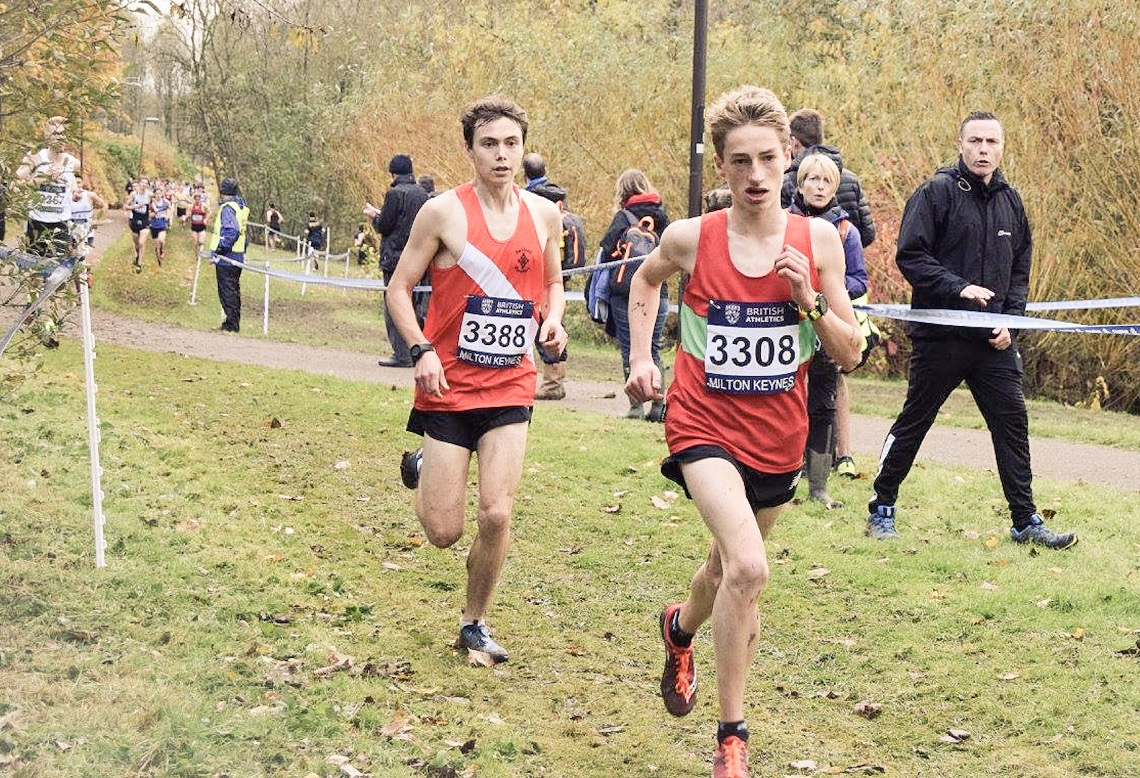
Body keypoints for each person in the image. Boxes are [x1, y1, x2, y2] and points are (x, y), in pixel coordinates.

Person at [624, 85, 861, 778]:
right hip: (701, 426)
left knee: (726, 570)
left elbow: (848, 352)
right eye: (739, 162)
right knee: (751, 568)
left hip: (778, 440)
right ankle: (733, 738)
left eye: (767, 159)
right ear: (721, 169)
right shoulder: (692, 239)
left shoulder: (818, 241)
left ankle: (679, 629)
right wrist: (643, 357)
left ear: (789, 157)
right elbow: (643, 283)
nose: (755, 176)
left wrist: (808, 300)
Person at [385, 95, 567, 663]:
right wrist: (420, 349)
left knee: (496, 512)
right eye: (489, 143)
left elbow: (553, 285)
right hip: (447, 385)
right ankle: (425, 464)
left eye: (511, 143)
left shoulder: (544, 215)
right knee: (443, 532)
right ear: (469, 150)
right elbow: (397, 289)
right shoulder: (441, 214)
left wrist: (555, 321)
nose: (501, 154)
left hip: (511, 382)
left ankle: (474, 621)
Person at [866, 111, 1077, 549]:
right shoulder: (936, 192)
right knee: (915, 422)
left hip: (992, 343)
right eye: (976, 141)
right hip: (941, 337)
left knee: (1012, 423)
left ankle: (1025, 521)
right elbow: (911, 257)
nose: (984, 150)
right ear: (961, 144)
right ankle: (881, 507)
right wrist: (958, 288)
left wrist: (1011, 324)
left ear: (1002, 148)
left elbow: (1020, 269)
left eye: (992, 142)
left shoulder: (1011, 201)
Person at [789, 154, 869, 508]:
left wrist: (824, 289)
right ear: (801, 184)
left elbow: (857, 279)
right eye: (813, 180)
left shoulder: (845, 231)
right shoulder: (782, 223)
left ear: (835, 188)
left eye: (826, 182)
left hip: (825, 325)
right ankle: (784, 478)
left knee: (823, 402)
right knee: (785, 400)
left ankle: (819, 488)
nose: (819, 187)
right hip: (786, 324)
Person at [598, 168, 669, 420]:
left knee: (632, 349)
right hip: (659, 292)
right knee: (654, 347)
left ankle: (635, 406)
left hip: (624, 293)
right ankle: (659, 404)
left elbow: (607, 251)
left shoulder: (622, 216)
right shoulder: (662, 216)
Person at [364, 153, 430, 367]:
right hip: (419, 256)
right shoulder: (421, 194)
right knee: (416, 305)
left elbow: (385, 225)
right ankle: (417, 349)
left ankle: (401, 354)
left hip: (394, 257)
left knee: (394, 302)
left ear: (393, 172)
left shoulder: (394, 194)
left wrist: (375, 216)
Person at [780, 108, 876, 248]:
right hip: (848, 264)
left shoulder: (787, 182)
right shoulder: (851, 179)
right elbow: (867, 233)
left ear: (794, 141)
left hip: (802, 264)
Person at [523, 152, 574, 402]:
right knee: (550, 322)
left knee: (545, 325)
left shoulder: (532, 202)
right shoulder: (560, 200)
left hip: (540, 274)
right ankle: (552, 379)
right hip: (559, 273)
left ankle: (553, 382)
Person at [15, 115, 79, 259]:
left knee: (57, 271)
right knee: (36, 272)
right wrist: (43, 179)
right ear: (47, 136)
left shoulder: (73, 162)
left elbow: (72, 181)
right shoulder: (35, 158)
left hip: (60, 224)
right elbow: (15, 184)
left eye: (63, 134)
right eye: (56, 134)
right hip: (37, 223)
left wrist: (76, 193)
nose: (60, 137)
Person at [209, 177, 249, 333]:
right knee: (233, 290)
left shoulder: (228, 208)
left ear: (222, 192)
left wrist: (220, 248)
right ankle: (231, 322)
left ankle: (231, 325)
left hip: (227, 257)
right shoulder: (241, 207)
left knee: (227, 292)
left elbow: (232, 230)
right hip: (238, 255)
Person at [68, 173, 107, 257]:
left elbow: (103, 205)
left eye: (79, 182)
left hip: (87, 232)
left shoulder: (90, 195)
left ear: (82, 183)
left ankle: (86, 268)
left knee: (84, 257)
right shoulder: (67, 196)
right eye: (74, 183)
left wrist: (97, 219)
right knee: (72, 257)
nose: (77, 185)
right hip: (71, 232)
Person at [125, 177, 151, 271]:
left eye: (146, 183)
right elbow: (126, 206)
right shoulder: (134, 194)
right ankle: (137, 257)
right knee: (136, 245)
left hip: (145, 221)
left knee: (141, 243)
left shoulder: (149, 194)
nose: (144, 185)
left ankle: (139, 264)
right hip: (135, 220)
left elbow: (157, 199)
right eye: (142, 182)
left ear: (148, 185)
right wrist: (135, 206)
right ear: (139, 184)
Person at [148, 183, 172, 266]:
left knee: (161, 240)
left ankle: (162, 250)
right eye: (156, 193)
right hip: (154, 225)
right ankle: (159, 261)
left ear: (162, 194)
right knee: (156, 245)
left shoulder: (165, 202)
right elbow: (148, 215)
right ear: (154, 194)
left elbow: (169, 210)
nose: (158, 195)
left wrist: (167, 216)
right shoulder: (151, 203)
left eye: (159, 193)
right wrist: (152, 214)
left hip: (162, 224)